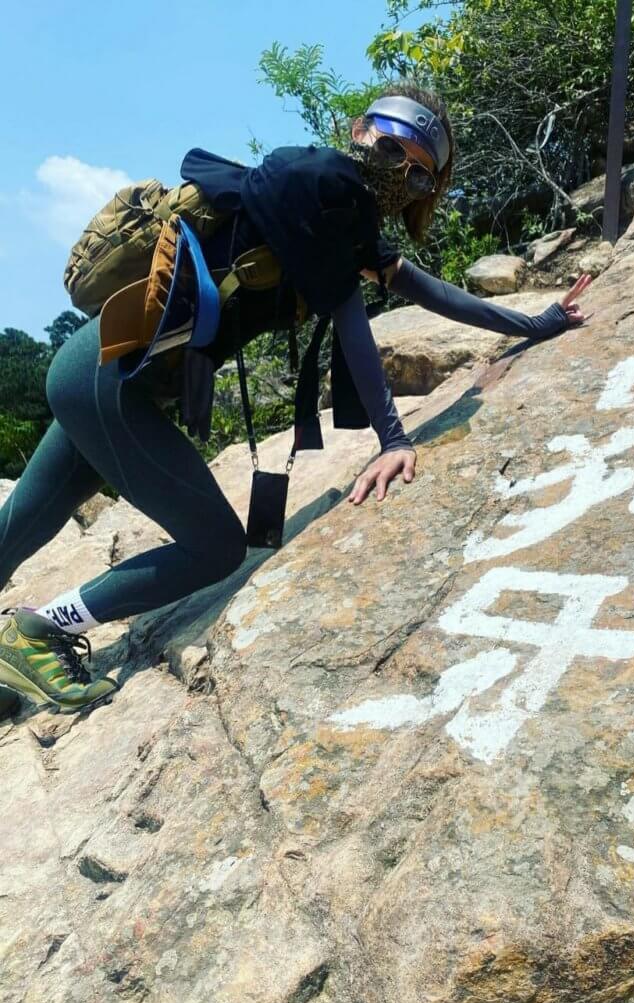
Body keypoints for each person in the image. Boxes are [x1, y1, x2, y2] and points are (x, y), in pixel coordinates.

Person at [0, 83, 592, 715]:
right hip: (106, 380)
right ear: (362, 131)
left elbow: (430, 292)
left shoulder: (335, 211)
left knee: (17, 529)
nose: (399, 174)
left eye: (418, 175)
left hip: (102, 375)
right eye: (393, 151)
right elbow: (354, 326)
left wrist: (538, 322)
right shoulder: (321, 184)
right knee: (216, 548)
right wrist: (394, 438)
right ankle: (44, 628)